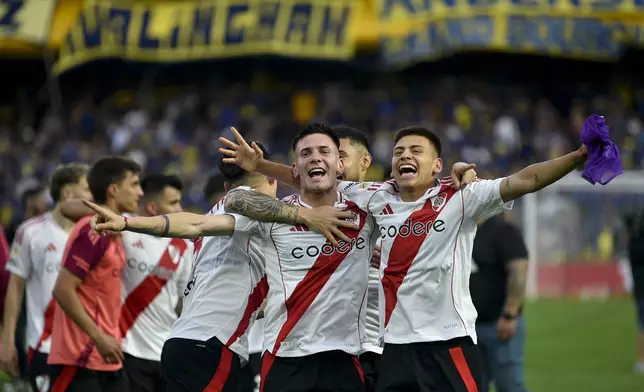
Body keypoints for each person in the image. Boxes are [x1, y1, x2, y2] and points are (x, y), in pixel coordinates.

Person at [220, 124, 592, 392]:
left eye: (416, 151)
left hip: (449, 342)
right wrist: (259, 166)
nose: (404, 156)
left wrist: (578, 157)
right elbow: (308, 178)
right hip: (395, 347)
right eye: (398, 152)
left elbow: (525, 180)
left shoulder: (463, 196)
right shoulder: (374, 197)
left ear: (437, 165)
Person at [82, 141, 354, 392]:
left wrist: (128, 223)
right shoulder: (257, 214)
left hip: (184, 342)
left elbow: (195, 224)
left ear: (224, 187)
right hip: (212, 345)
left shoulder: (219, 215)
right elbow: (239, 202)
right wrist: (308, 213)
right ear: (271, 181)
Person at [47, 156, 143, 392]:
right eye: (133, 184)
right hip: (80, 357)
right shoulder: (93, 230)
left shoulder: (114, 230)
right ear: (113, 189)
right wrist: (98, 337)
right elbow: (62, 289)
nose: (139, 192)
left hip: (106, 356)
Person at [0, 163, 92, 392]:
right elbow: (15, 287)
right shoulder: (31, 232)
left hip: (89, 347)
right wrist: (8, 340)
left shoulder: (95, 233)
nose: (92, 195)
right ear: (68, 193)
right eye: (87, 188)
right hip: (44, 346)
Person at [120, 174, 193, 392]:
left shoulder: (183, 246)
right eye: (173, 203)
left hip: (165, 349)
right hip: (127, 349)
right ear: (151, 207)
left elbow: (183, 301)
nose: (180, 209)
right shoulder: (123, 231)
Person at [334, 125, 382, 391]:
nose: (333, 163)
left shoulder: (383, 199)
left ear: (364, 161)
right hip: (327, 345)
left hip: (375, 344)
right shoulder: (308, 206)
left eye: (341, 155)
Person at [470, 212, 529, 392]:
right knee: (473, 386)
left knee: (510, 386)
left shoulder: (502, 230)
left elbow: (519, 269)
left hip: (498, 324)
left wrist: (510, 314)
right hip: (468, 328)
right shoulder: (462, 230)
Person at [625, 208, 644, 373]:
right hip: (642, 290)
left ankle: (640, 361)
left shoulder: (632, 245)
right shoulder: (639, 245)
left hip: (639, 290)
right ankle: (641, 361)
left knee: (642, 325)